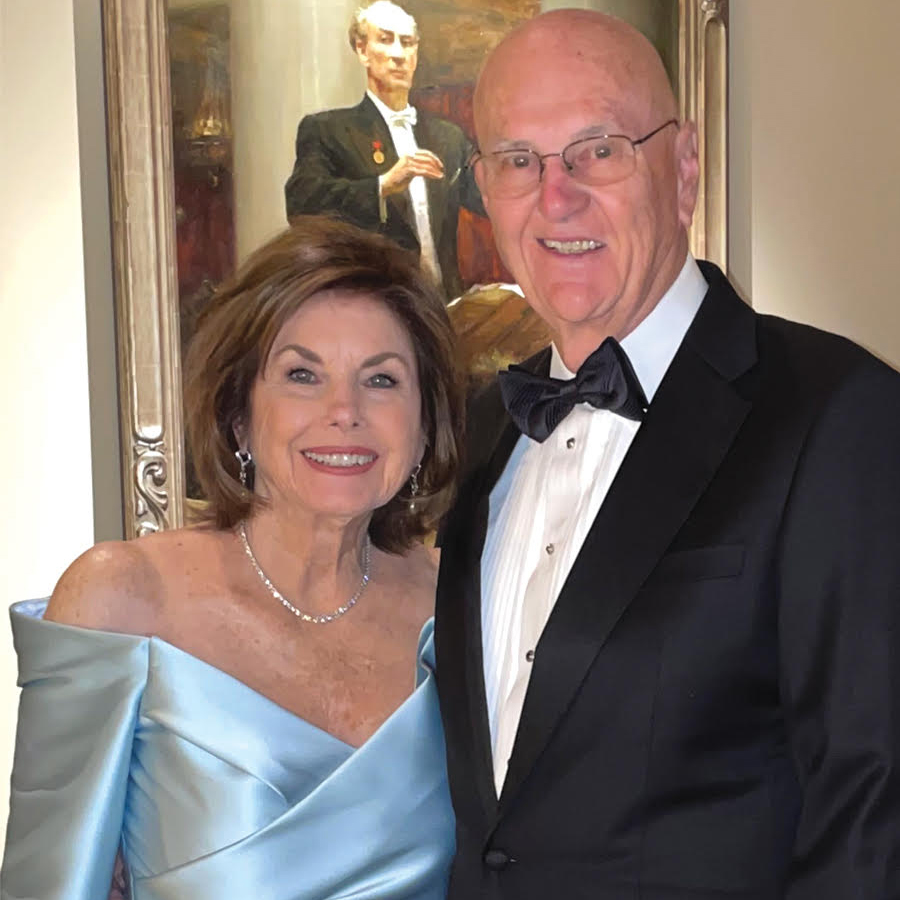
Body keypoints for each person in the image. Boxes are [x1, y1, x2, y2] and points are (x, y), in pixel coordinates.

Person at [434, 9, 900, 898]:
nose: (555, 196)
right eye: (517, 161)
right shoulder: (482, 433)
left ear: (684, 169)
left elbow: (875, 810)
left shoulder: (839, 414)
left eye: (598, 149)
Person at [2, 216, 465, 899]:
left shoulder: (459, 606)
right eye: (302, 375)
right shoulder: (121, 600)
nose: (344, 412)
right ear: (240, 414)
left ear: (424, 424)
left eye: (383, 380)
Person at [284, 0, 485, 300]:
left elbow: (488, 198)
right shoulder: (328, 130)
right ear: (362, 50)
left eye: (407, 43)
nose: (398, 55)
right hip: (372, 306)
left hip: (443, 307)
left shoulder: (448, 137)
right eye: (385, 40)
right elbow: (301, 204)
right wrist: (383, 185)